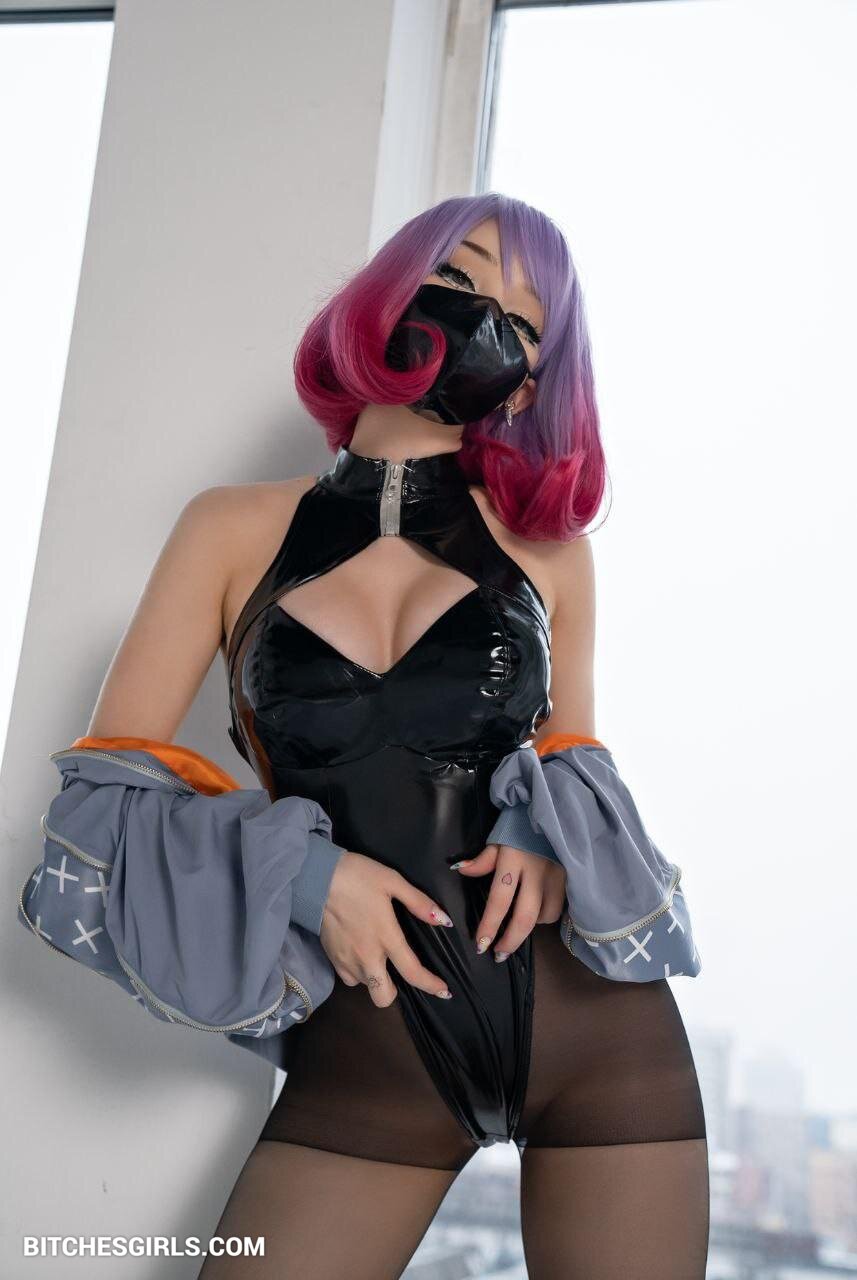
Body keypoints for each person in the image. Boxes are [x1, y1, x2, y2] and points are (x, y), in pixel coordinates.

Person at [76, 194, 710, 1276]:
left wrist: (544, 826)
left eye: (524, 323)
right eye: (459, 279)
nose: (483, 323)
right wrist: (307, 873)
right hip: (371, 1051)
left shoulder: (551, 553)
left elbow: (573, 758)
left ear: (530, 383)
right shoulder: (229, 528)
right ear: (390, 288)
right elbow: (105, 797)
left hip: (600, 1036)